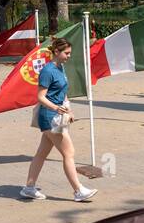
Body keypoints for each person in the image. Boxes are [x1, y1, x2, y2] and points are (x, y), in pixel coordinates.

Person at [20, 37, 98, 203]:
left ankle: (29, 187)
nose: (69, 56)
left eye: (70, 53)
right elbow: (40, 97)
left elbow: (63, 92)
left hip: (56, 116)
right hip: (50, 117)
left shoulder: (60, 67)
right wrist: (56, 108)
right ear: (56, 52)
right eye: (66, 53)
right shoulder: (48, 71)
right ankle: (78, 191)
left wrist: (68, 109)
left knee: (41, 153)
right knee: (69, 153)